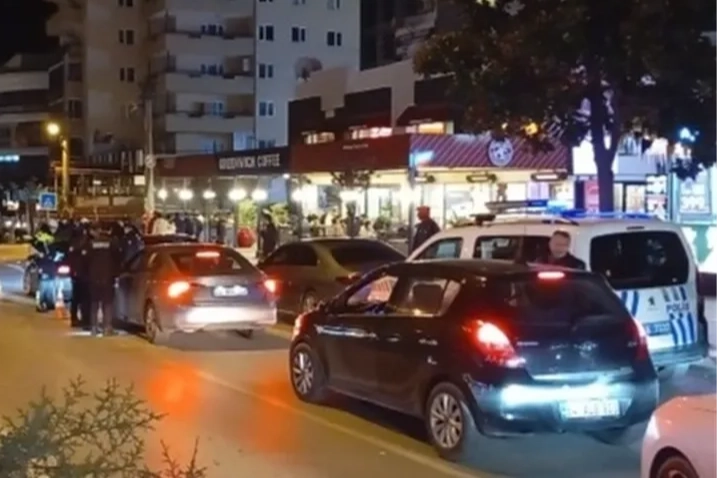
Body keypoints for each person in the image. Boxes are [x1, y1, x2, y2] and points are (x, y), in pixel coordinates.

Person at [86, 226, 123, 336]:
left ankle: (94, 328)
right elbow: (118, 258)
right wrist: (116, 273)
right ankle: (107, 328)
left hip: (93, 277)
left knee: (94, 303)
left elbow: (86, 259)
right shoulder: (112, 243)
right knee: (107, 303)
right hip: (108, 276)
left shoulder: (91, 243)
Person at [67, 224, 92, 328]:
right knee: (85, 298)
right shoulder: (85, 243)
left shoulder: (73, 243)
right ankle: (85, 320)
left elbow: (70, 259)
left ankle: (74, 319)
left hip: (75, 274)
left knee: (76, 298)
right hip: (84, 275)